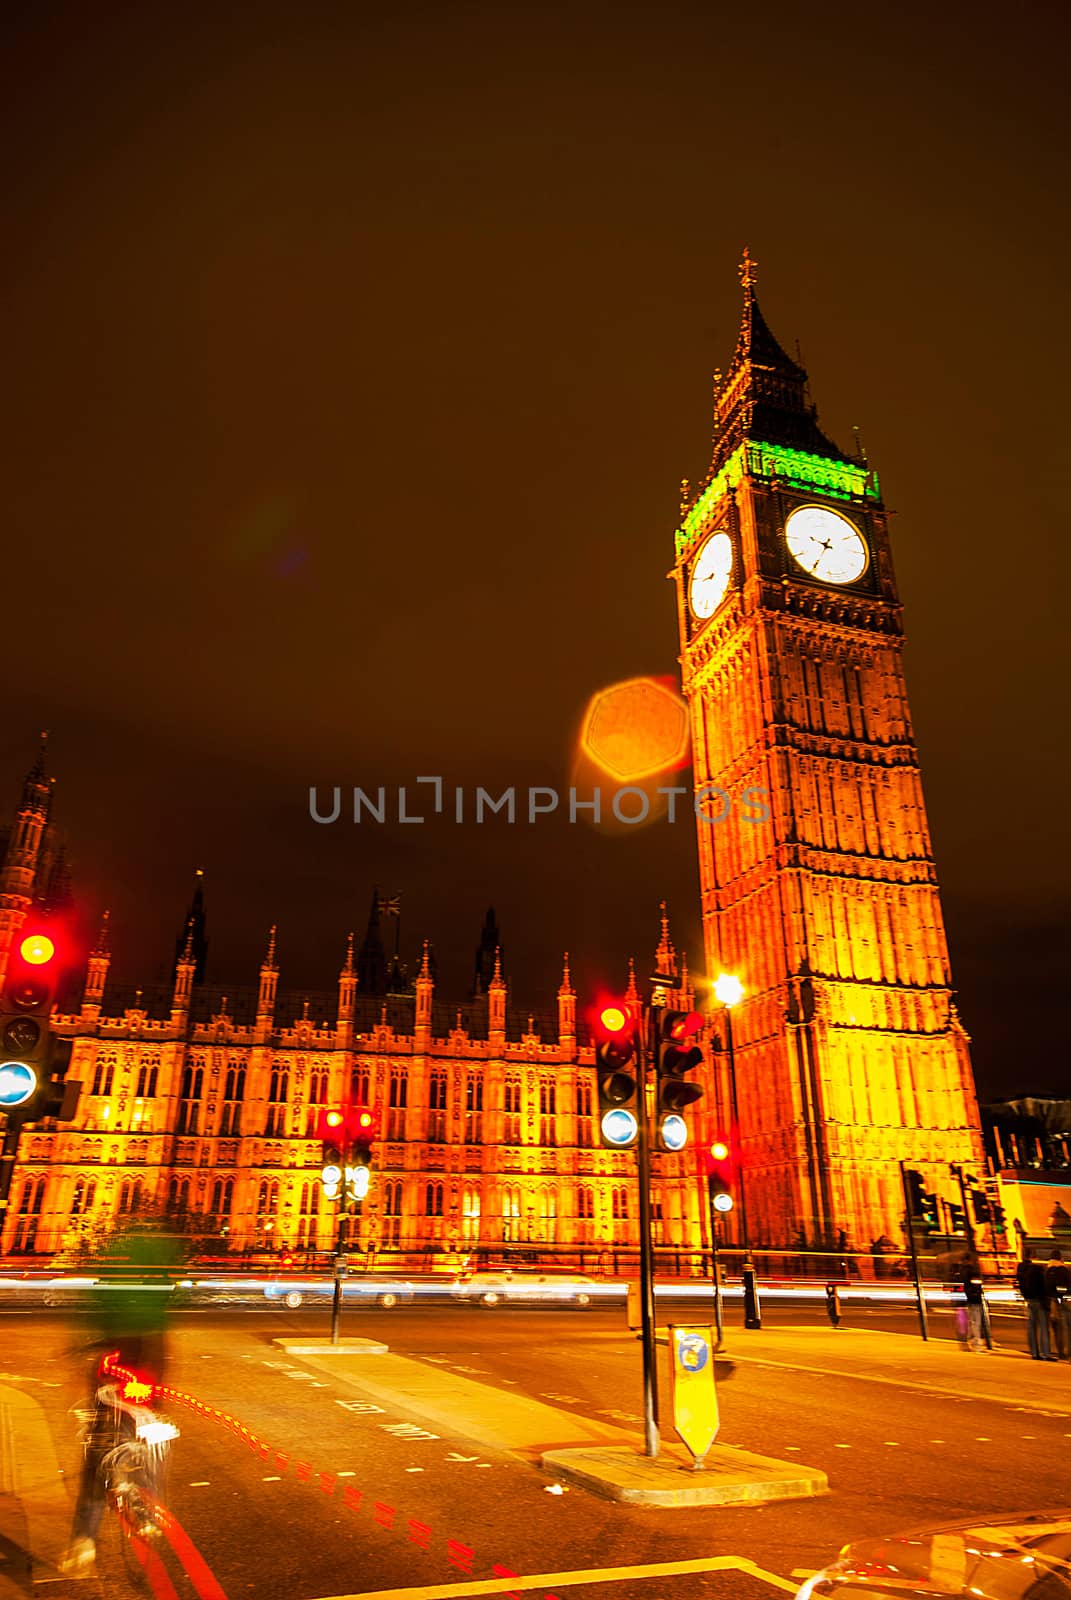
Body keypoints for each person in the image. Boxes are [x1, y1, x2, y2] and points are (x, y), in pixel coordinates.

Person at [1017, 1249, 1054, 1360]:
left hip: (1029, 1298)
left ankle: (1034, 1352)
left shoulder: (1021, 1268)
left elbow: (1019, 1282)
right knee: (1043, 1327)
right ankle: (1045, 1353)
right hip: (1039, 1299)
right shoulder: (1037, 1269)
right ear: (1032, 1256)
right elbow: (1043, 1286)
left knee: (1031, 1326)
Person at [1046, 1249, 1071, 1360]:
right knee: (1069, 1327)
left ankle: (1061, 1352)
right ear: (1060, 1258)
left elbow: (1046, 1287)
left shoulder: (1048, 1270)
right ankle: (1069, 1351)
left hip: (1053, 1302)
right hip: (1065, 1301)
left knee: (1057, 1329)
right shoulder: (1064, 1270)